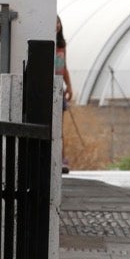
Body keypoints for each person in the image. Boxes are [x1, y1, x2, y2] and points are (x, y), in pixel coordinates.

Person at [57, 17, 74, 174]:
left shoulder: (62, 45)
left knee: (60, 126)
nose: (56, 25)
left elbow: (64, 66)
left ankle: (62, 158)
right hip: (49, 86)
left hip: (59, 87)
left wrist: (68, 85)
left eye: (58, 22)